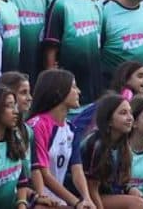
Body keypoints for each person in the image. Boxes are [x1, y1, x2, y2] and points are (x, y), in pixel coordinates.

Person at [42, 0, 102, 106]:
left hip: (96, 89)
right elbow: (50, 51)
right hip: (71, 93)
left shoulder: (94, 1)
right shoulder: (61, 4)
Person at [27, 70, 94, 209]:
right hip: (36, 199)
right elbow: (43, 174)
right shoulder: (38, 125)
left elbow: (77, 170)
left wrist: (87, 198)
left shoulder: (71, 128)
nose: (79, 91)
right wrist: (76, 203)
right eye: (74, 87)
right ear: (59, 91)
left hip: (60, 200)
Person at [82, 96, 143, 209]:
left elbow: (120, 182)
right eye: (123, 113)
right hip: (85, 196)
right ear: (109, 120)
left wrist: (130, 189)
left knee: (140, 199)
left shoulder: (121, 143)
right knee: (136, 204)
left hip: (106, 194)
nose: (130, 118)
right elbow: (91, 188)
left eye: (130, 113)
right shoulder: (97, 144)